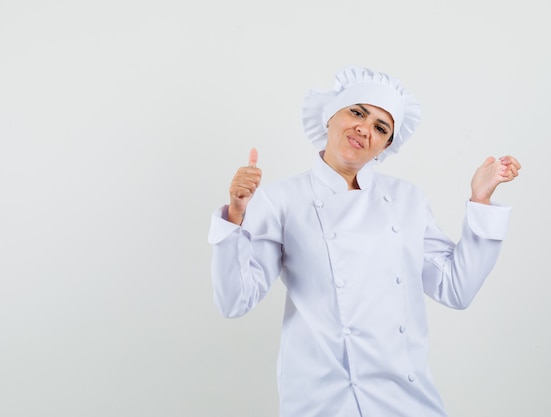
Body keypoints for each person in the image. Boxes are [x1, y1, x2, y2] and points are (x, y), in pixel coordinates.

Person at [208, 66, 521, 417]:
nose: (364, 128)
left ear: (386, 145)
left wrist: (480, 200)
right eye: (357, 112)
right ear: (330, 117)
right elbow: (235, 301)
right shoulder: (281, 199)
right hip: (322, 397)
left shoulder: (407, 200)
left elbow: (456, 289)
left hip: (404, 397)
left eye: (380, 127)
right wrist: (235, 215)